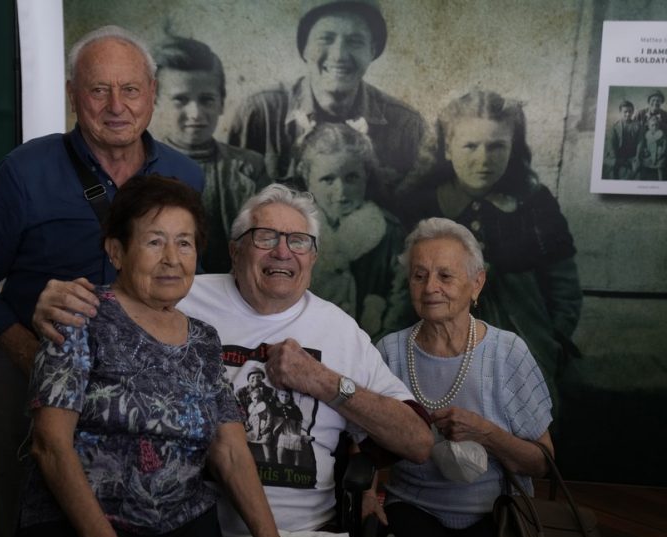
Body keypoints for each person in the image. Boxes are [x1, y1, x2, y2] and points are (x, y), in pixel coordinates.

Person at [32, 183, 434, 537]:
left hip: (296, 529)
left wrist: (326, 383)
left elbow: (417, 442)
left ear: (313, 257)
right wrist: (52, 305)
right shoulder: (176, 294)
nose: (282, 251)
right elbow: (114, 304)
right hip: (184, 523)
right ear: (234, 247)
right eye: (265, 237)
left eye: (298, 240)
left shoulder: (336, 329)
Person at [0, 25, 204, 537]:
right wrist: (27, 351)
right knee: (25, 524)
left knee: (143, 522)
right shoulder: (25, 170)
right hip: (33, 380)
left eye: (130, 89)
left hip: (146, 391)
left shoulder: (184, 176)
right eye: (98, 89)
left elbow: (183, 279)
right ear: (71, 94)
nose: (116, 106)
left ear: (151, 92)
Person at [17, 175, 280, 537]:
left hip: (183, 521)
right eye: (154, 241)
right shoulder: (80, 315)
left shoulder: (204, 339)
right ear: (117, 251)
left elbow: (231, 451)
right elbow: (50, 445)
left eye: (184, 243)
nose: (171, 259)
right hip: (85, 523)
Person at [397, 89, 581, 414]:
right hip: (435, 347)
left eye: (497, 146)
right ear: (448, 149)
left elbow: (563, 285)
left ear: (513, 147)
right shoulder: (422, 207)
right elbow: (400, 288)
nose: (483, 160)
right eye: (470, 146)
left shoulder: (535, 204)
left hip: (524, 347)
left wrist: (552, 339)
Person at [376, 217, 554, 537]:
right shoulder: (390, 352)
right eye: (419, 275)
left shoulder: (508, 353)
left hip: (497, 510)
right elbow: (362, 436)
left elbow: (543, 462)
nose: (430, 287)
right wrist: (366, 496)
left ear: (476, 283)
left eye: (445, 275)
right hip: (412, 505)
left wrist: (487, 434)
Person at [227, 0, 430, 213]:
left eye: (355, 41)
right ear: (305, 47)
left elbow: (415, 216)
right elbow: (233, 210)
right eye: (326, 38)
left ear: (372, 50)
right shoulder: (260, 114)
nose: (339, 55)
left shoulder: (406, 126)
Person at [152, 35, 270, 272]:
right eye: (180, 100)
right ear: (156, 101)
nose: (195, 113)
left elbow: (265, 238)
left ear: (222, 102)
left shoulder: (249, 167)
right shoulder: (141, 166)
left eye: (206, 100)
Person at [296, 122, 407, 338]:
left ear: (366, 175)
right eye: (327, 179)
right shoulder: (293, 229)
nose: (341, 190)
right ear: (308, 180)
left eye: (352, 178)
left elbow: (401, 299)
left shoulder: (388, 231)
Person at [606, 100, 641, 180]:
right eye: (625, 112)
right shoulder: (615, 126)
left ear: (633, 112)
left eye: (630, 111)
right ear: (620, 112)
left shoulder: (638, 125)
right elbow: (611, 143)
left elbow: (640, 142)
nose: (628, 114)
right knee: (613, 170)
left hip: (632, 155)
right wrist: (615, 157)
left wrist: (637, 157)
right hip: (619, 154)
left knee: (636, 171)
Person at [634, 114, 667, 181]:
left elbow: (665, 144)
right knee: (643, 164)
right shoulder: (647, 135)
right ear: (649, 126)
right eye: (652, 125)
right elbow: (644, 145)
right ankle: (641, 178)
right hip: (649, 155)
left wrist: (663, 151)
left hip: (659, 155)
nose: (654, 127)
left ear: (659, 126)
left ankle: (661, 181)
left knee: (660, 166)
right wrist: (645, 150)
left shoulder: (661, 134)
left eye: (656, 125)